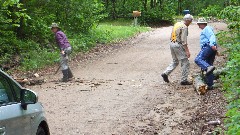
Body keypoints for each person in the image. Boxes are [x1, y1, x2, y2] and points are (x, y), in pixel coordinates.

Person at [161, 14, 193, 85]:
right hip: (178, 45)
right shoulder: (184, 27)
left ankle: (165, 73)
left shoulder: (177, 23)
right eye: (190, 21)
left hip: (172, 43)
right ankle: (184, 80)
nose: (190, 23)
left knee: (175, 61)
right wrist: (187, 51)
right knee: (185, 62)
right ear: (188, 20)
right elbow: (184, 41)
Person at [194, 18, 217, 90]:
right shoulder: (209, 28)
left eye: (199, 24)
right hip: (211, 47)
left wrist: (212, 44)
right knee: (209, 65)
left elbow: (212, 36)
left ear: (202, 24)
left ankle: (207, 67)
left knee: (198, 59)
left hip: (208, 46)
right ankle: (210, 84)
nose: (198, 26)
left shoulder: (207, 28)